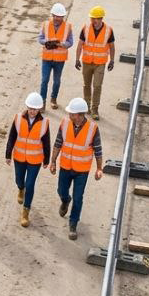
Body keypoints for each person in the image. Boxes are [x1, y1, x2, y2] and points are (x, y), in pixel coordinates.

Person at [49, 97, 103, 240]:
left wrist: (99, 168)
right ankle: (65, 200)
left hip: (82, 171)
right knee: (61, 191)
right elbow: (58, 143)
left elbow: (98, 150)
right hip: (65, 167)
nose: (69, 115)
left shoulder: (93, 129)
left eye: (72, 114)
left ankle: (73, 224)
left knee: (78, 198)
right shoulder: (65, 124)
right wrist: (53, 161)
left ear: (80, 115)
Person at [6, 92, 51, 228]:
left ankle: (25, 211)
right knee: (19, 180)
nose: (32, 111)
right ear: (27, 107)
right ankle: (20, 188)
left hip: (35, 160)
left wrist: (46, 160)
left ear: (39, 109)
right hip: (19, 157)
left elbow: (46, 142)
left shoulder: (44, 123)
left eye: (35, 109)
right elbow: (12, 137)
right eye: (31, 108)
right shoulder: (18, 118)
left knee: (30, 185)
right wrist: (8, 154)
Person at [75, 5, 115, 119]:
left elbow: (112, 47)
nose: (94, 21)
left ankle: (95, 110)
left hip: (100, 63)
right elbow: (80, 45)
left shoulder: (108, 30)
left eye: (97, 18)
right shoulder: (86, 28)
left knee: (97, 86)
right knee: (86, 85)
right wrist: (77, 59)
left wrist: (112, 60)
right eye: (92, 18)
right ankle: (86, 106)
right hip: (87, 62)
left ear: (102, 18)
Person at [38, 2, 74, 109]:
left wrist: (63, 44)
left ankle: (53, 99)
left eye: (59, 16)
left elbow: (70, 42)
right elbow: (40, 38)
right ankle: (42, 102)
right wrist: (46, 42)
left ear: (63, 16)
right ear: (52, 15)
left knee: (57, 81)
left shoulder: (67, 27)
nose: (57, 18)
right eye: (55, 16)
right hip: (47, 59)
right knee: (44, 80)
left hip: (59, 60)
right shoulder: (46, 24)